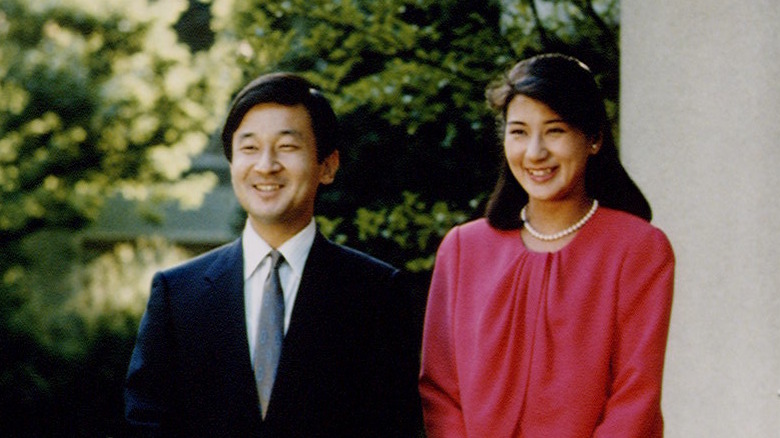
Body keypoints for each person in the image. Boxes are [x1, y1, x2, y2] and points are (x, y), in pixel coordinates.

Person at [125, 72, 422, 437]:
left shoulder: (376, 293)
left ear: (327, 165)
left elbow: (394, 426)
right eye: (249, 148)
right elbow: (146, 424)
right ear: (232, 162)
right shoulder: (178, 294)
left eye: (287, 147)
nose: (266, 165)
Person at [418, 53, 675, 437]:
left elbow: (635, 397)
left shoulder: (639, 249)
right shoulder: (462, 249)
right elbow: (440, 391)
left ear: (594, 138)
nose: (535, 152)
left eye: (555, 131)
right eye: (519, 131)